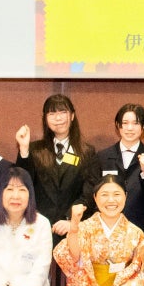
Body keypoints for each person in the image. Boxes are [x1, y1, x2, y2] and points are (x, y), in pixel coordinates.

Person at [78, 104, 144, 231]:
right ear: (117, 125)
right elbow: (90, 193)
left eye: (136, 123)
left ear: (143, 126)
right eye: (125, 123)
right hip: (104, 228)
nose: (130, 128)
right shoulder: (102, 157)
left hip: (139, 228)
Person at [18, 94, 86, 235]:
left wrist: (70, 219)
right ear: (45, 119)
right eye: (52, 113)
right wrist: (24, 149)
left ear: (72, 116)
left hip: (71, 228)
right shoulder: (34, 150)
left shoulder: (86, 152)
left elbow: (88, 191)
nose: (58, 118)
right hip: (38, 226)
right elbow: (22, 183)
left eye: (63, 112)